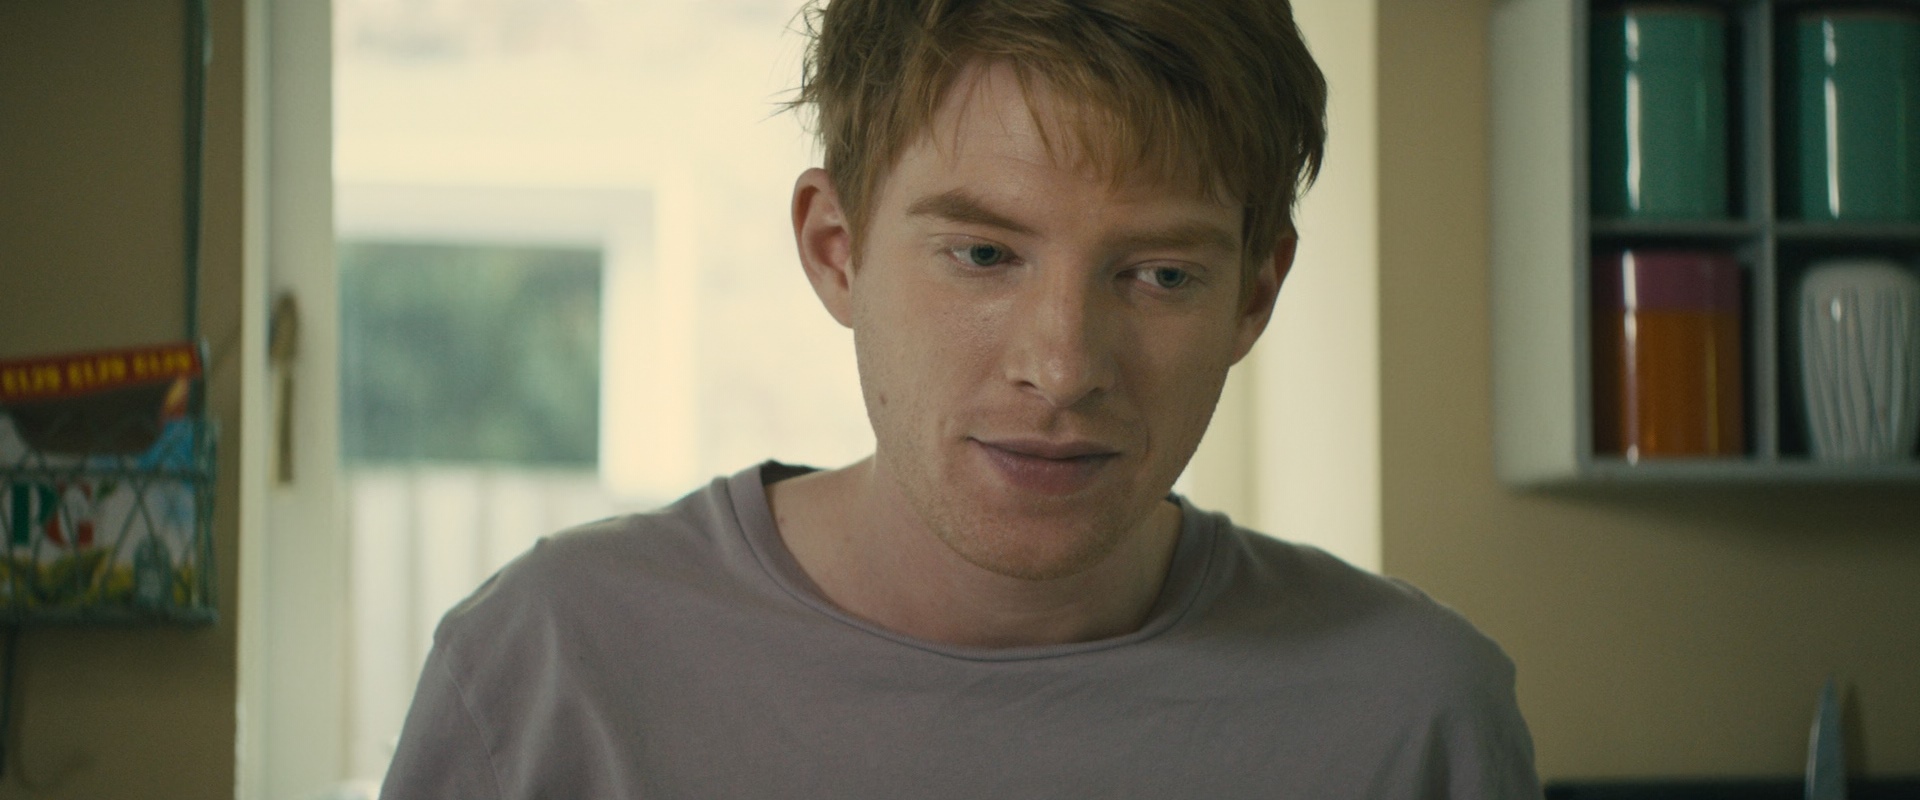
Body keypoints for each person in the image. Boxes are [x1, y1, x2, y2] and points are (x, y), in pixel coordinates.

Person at [380, 0, 1541, 796]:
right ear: (836, 250)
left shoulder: (1414, 716)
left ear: (1255, 293)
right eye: (983, 255)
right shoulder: (553, 664)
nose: (1064, 366)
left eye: (1159, 274)